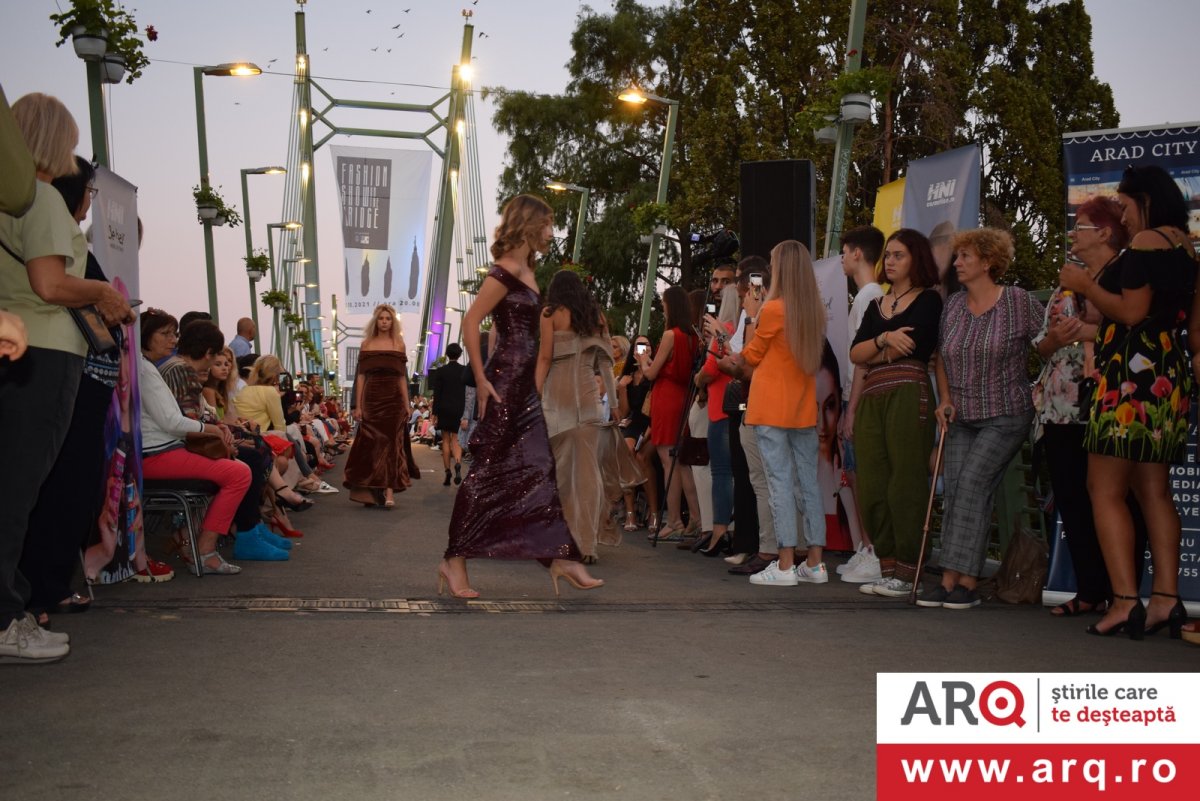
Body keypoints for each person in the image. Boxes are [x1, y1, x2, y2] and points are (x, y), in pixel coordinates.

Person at [0, 93, 131, 663]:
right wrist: (102, 291)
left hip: (15, 346)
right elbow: (51, 285)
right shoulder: (43, 200)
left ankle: (13, 608)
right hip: (46, 352)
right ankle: (6, 619)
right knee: (18, 492)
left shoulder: (8, 203)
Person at [438, 195, 603, 598]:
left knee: (539, 466)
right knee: (487, 471)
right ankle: (454, 560)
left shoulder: (528, 270)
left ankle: (560, 555)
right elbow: (472, 320)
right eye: (547, 224)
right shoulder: (507, 269)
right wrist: (480, 377)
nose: (551, 232)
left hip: (524, 384)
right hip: (505, 380)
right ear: (529, 224)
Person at [1062, 165, 1196, 639]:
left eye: (1125, 204)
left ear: (1146, 200)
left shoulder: (1144, 243)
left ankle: (1123, 601)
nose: (1122, 214)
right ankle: (1165, 598)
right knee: (1154, 490)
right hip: (1168, 372)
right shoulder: (1186, 246)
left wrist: (1085, 286)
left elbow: (1131, 312)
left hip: (1130, 376)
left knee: (1103, 488)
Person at [928, 227, 1043, 609]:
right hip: (961, 414)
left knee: (973, 483)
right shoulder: (953, 306)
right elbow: (942, 357)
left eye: (966, 256)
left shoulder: (1018, 301)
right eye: (957, 255)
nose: (957, 263)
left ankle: (966, 580)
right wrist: (945, 398)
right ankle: (950, 580)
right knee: (957, 487)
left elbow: (1047, 342)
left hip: (1006, 413)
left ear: (989, 262)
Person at [1033, 197, 1128, 617]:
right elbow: (1041, 344)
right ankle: (1089, 590)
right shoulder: (1065, 282)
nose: (1073, 233)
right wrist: (1056, 339)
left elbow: (1131, 323)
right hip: (1060, 406)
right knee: (1071, 498)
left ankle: (1122, 594)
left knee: (1114, 499)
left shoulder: (1124, 276)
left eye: (1082, 226)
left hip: (1109, 401)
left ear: (1105, 233)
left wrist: (1084, 333)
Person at [718, 240, 828, 586]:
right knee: (808, 485)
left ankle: (784, 565)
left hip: (770, 408)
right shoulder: (813, 311)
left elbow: (750, 356)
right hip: (802, 408)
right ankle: (815, 563)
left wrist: (750, 317)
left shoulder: (774, 309)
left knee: (779, 484)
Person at [849, 229, 943, 593]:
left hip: (908, 392)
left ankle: (908, 570)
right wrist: (885, 338)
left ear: (916, 259)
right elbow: (856, 354)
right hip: (872, 397)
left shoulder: (929, 300)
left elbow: (916, 347)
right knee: (872, 483)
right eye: (887, 254)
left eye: (898, 255)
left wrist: (875, 352)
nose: (889, 261)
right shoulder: (877, 305)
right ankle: (887, 566)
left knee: (905, 481)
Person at [137, 310, 252, 576]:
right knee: (239, 473)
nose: (173, 339)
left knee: (236, 468)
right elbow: (172, 421)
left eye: (174, 334)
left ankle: (195, 542)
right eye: (165, 334)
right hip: (157, 455)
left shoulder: (148, 368)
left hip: (158, 451)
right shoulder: (147, 371)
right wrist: (210, 428)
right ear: (146, 336)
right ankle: (205, 551)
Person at [537, 269, 638, 563]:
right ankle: (587, 544)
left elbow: (544, 358)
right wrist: (614, 403)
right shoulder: (595, 316)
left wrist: (533, 395)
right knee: (587, 475)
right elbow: (605, 364)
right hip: (589, 402)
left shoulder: (549, 314)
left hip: (557, 401)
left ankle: (560, 538)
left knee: (558, 473)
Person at [634, 284, 701, 541]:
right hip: (683, 397)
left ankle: (674, 521)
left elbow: (651, 373)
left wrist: (643, 361)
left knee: (668, 462)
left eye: (663, 303)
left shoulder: (671, 335)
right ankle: (695, 517)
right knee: (681, 462)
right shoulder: (692, 336)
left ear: (670, 305)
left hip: (666, 398)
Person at [838, 225, 884, 572]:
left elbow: (863, 360)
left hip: (861, 397)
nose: (841, 259)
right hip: (854, 396)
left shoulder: (870, 296)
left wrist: (851, 408)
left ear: (857, 253)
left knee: (862, 477)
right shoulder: (867, 296)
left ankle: (872, 550)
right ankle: (866, 547)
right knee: (855, 476)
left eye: (843, 252)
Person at [343, 304, 419, 508]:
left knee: (393, 444)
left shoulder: (399, 344)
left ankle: (389, 491)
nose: (384, 322)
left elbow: (402, 377)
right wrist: (358, 405)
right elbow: (361, 376)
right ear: (375, 321)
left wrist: (407, 404)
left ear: (393, 322)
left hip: (394, 399)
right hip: (371, 398)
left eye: (388, 319)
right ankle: (371, 489)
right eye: (381, 318)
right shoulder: (366, 344)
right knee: (371, 444)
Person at [694, 283, 739, 555]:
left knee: (721, 473)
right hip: (734, 408)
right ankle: (731, 530)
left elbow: (710, 370)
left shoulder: (723, 332)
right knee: (734, 473)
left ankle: (720, 530)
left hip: (721, 410)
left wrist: (698, 379)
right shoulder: (740, 331)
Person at [616, 336, 658, 532]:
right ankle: (630, 512)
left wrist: (645, 365)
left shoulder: (655, 373)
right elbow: (625, 412)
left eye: (647, 345)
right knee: (627, 451)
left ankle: (654, 512)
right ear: (633, 351)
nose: (644, 349)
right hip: (635, 423)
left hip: (653, 423)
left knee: (641, 457)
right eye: (639, 345)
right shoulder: (629, 376)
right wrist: (622, 388)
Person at [428, 342, 469, 486]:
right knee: (456, 440)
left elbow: (437, 394)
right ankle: (457, 463)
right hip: (459, 409)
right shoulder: (464, 370)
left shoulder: (441, 371)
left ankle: (447, 471)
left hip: (444, 408)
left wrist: (435, 413)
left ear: (447, 354)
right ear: (460, 354)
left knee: (445, 440)